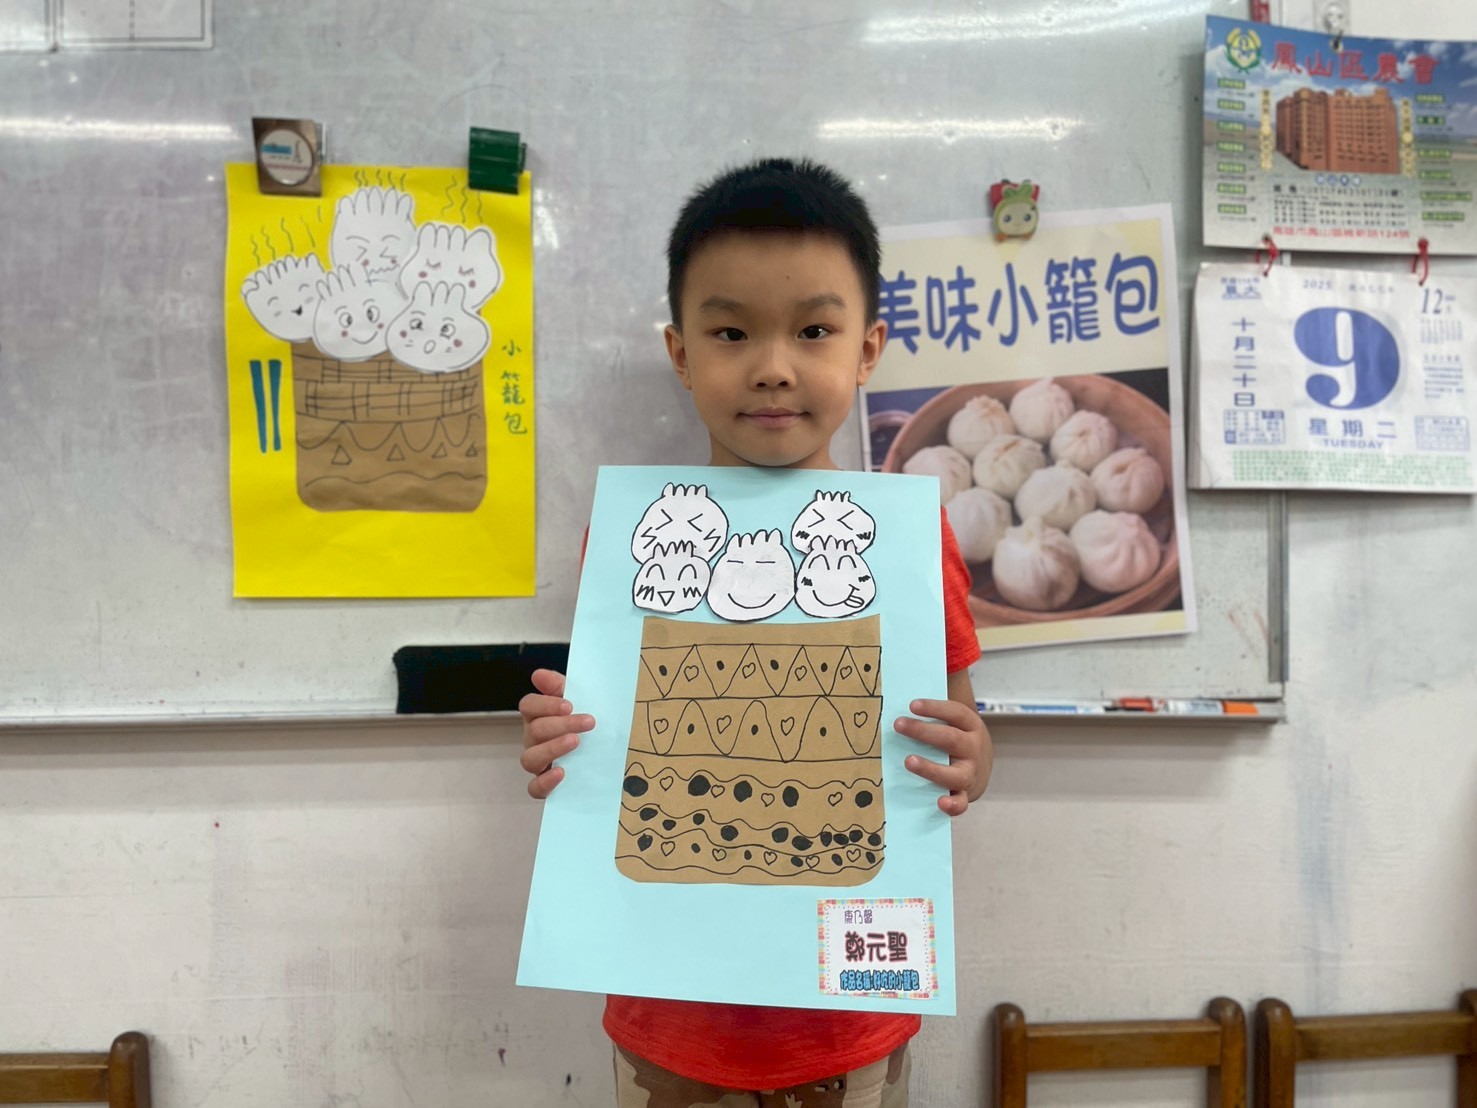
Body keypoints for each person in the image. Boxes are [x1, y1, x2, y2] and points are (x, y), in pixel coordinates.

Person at [519, 157, 993, 1108]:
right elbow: (612, 746)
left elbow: (957, 735)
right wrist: (561, 744)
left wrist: (969, 760)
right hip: (667, 1014)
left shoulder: (910, 542)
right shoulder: (637, 540)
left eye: (813, 330)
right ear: (680, 352)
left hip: (846, 1018)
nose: (773, 365)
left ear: (867, 350)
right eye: (731, 331)